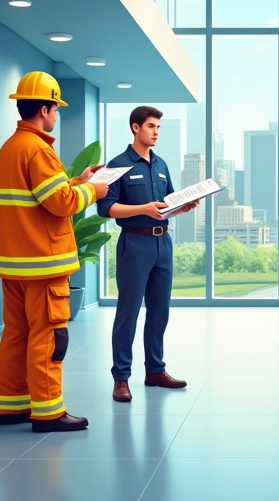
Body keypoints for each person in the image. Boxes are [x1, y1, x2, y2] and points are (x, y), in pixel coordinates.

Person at [0, 71, 110, 433]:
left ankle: (10, 405)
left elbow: (41, 195)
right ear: (44, 109)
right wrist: (94, 191)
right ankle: (48, 412)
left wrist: (78, 180)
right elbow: (61, 203)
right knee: (49, 336)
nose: (57, 114)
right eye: (56, 108)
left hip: (15, 264)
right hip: (43, 264)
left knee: (16, 333)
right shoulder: (39, 149)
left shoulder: (11, 147)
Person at [97, 105, 199, 403]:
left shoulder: (161, 164)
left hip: (162, 244)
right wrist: (143, 208)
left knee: (159, 310)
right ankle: (121, 377)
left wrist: (182, 207)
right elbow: (106, 208)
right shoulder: (117, 165)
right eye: (151, 126)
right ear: (135, 127)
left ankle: (155, 370)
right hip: (134, 244)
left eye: (158, 127)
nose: (156, 132)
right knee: (128, 312)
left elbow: (165, 206)